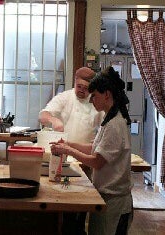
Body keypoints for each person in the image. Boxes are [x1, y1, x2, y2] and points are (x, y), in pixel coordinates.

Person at [50, 67, 133, 235]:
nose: (90, 100)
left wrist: (68, 150)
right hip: (106, 196)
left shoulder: (115, 124)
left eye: (94, 95)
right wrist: (68, 143)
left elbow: (96, 161)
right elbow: (93, 148)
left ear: (107, 95)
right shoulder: (109, 120)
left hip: (114, 201)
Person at [39, 67, 104, 144]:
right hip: (63, 149)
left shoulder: (96, 101)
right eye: (79, 86)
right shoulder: (65, 97)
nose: (81, 90)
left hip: (85, 152)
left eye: (85, 88)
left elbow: (105, 125)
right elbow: (42, 116)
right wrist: (54, 120)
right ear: (75, 82)